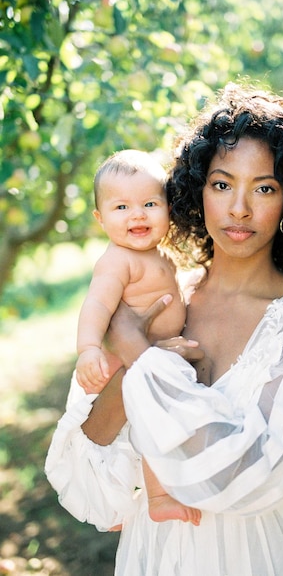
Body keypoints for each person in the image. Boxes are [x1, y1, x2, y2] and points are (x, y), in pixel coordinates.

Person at [46, 83, 283, 576]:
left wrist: (140, 352)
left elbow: (257, 476)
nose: (239, 209)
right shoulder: (159, 302)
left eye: (264, 188)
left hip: (256, 555)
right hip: (155, 550)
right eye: (222, 184)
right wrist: (130, 360)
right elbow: (86, 472)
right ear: (195, 189)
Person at [74, 148, 201, 526]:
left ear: (167, 208)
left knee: (142, 435)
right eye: (122, 208)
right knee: (143, 431)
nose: (138, 215)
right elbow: (96, 305)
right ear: (100, 219)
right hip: (132, 364)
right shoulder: (117, 260)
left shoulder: (162, 253)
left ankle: (115, 503)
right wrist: (88, 349)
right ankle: (156, 498)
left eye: (149, 203)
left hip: (159, 358)